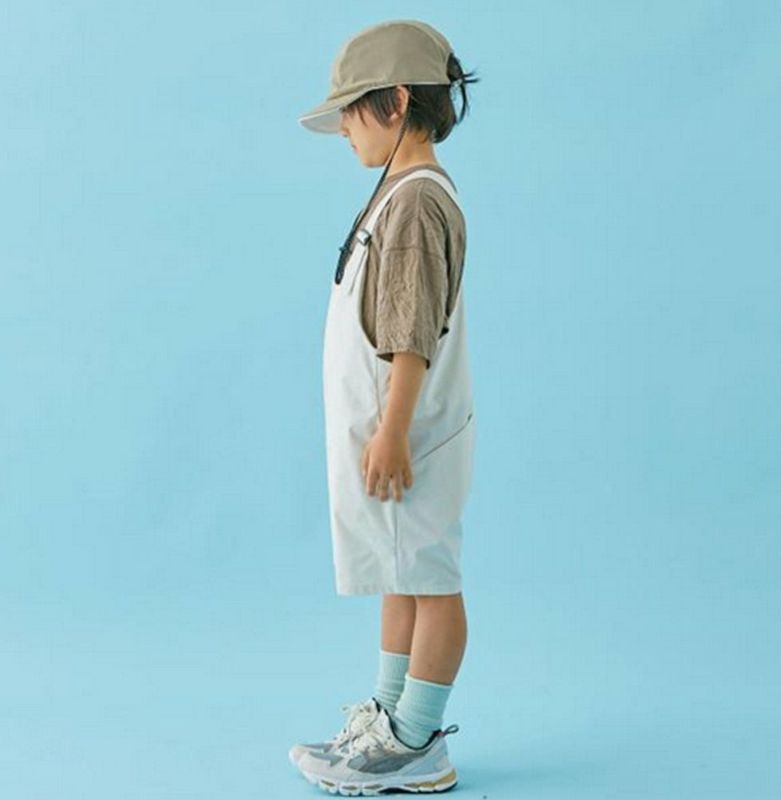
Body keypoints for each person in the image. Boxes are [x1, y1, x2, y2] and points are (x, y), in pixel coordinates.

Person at [289, 19, 480, 795]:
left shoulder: (417, 203)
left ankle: (416, 741)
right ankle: (390, 718)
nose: (344, 128)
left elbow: (410, 335)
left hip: (411, 435)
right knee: (403, 574)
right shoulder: (400, 195)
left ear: (397, 101)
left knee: (430, 578)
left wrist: (394, 431)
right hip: (396, 434)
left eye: (352, 109)